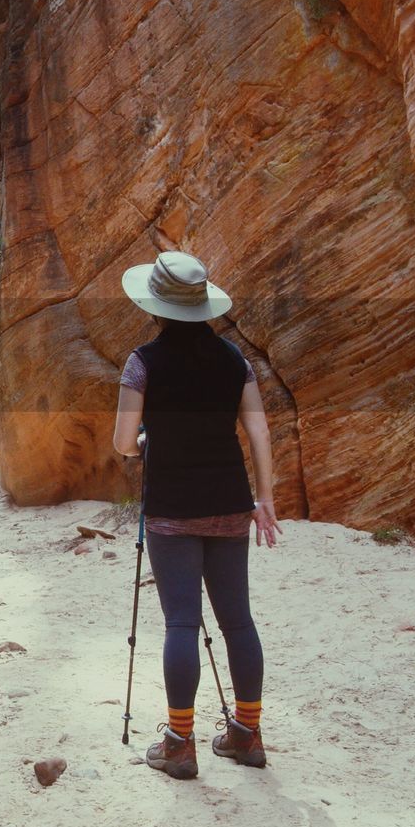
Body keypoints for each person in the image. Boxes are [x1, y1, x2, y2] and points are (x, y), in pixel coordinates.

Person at [113, 250, 282, 780]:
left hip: (171, 510)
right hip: (231, 502)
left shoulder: (143, 361)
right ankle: (247, 733)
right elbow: (258, 431)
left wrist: (145, 440)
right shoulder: (235, 360)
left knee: (182, 622)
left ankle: (179, 743)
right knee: (238, 620)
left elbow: (123, 442)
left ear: (156, 305)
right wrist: (265, 499)